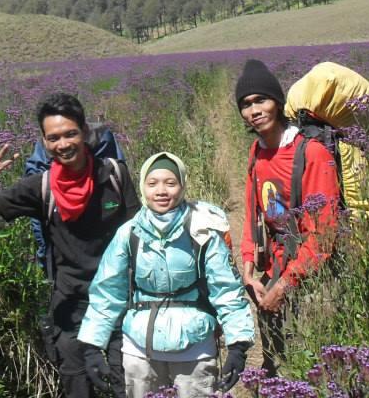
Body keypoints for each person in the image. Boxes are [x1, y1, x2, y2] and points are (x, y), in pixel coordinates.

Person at [0, 93, 139, 398]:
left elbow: (140, 235)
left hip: (118, 303)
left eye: (70, 134)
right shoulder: (40, 187)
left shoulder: (114, 174)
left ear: (84, 133)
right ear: (44, 143)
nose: (63, 144)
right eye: (53, 137)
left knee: (124, 387)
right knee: (77, 388)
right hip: (70, 308)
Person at [77, 151, 255, 398]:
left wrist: (238, 345)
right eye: (152, 183)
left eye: (170, 183)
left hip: (195, 349)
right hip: (139, 350)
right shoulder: (129, 233)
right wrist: (92, 347)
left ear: (182, 186)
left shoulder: (203, 232)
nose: (161, 191)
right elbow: (107, 292)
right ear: (142, 187)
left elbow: (226, 290)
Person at [234, 59, 340, 376]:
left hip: (310, 275)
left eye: (260, 100)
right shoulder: (257, 152)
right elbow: (253, 212)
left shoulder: (311, 154)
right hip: (273, 268)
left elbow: (324, 235)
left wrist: (285, 285)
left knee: (309, 363)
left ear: (277, 103)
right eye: (245, 104)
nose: (254, 110)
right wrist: (250, 269)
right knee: (275, 358)